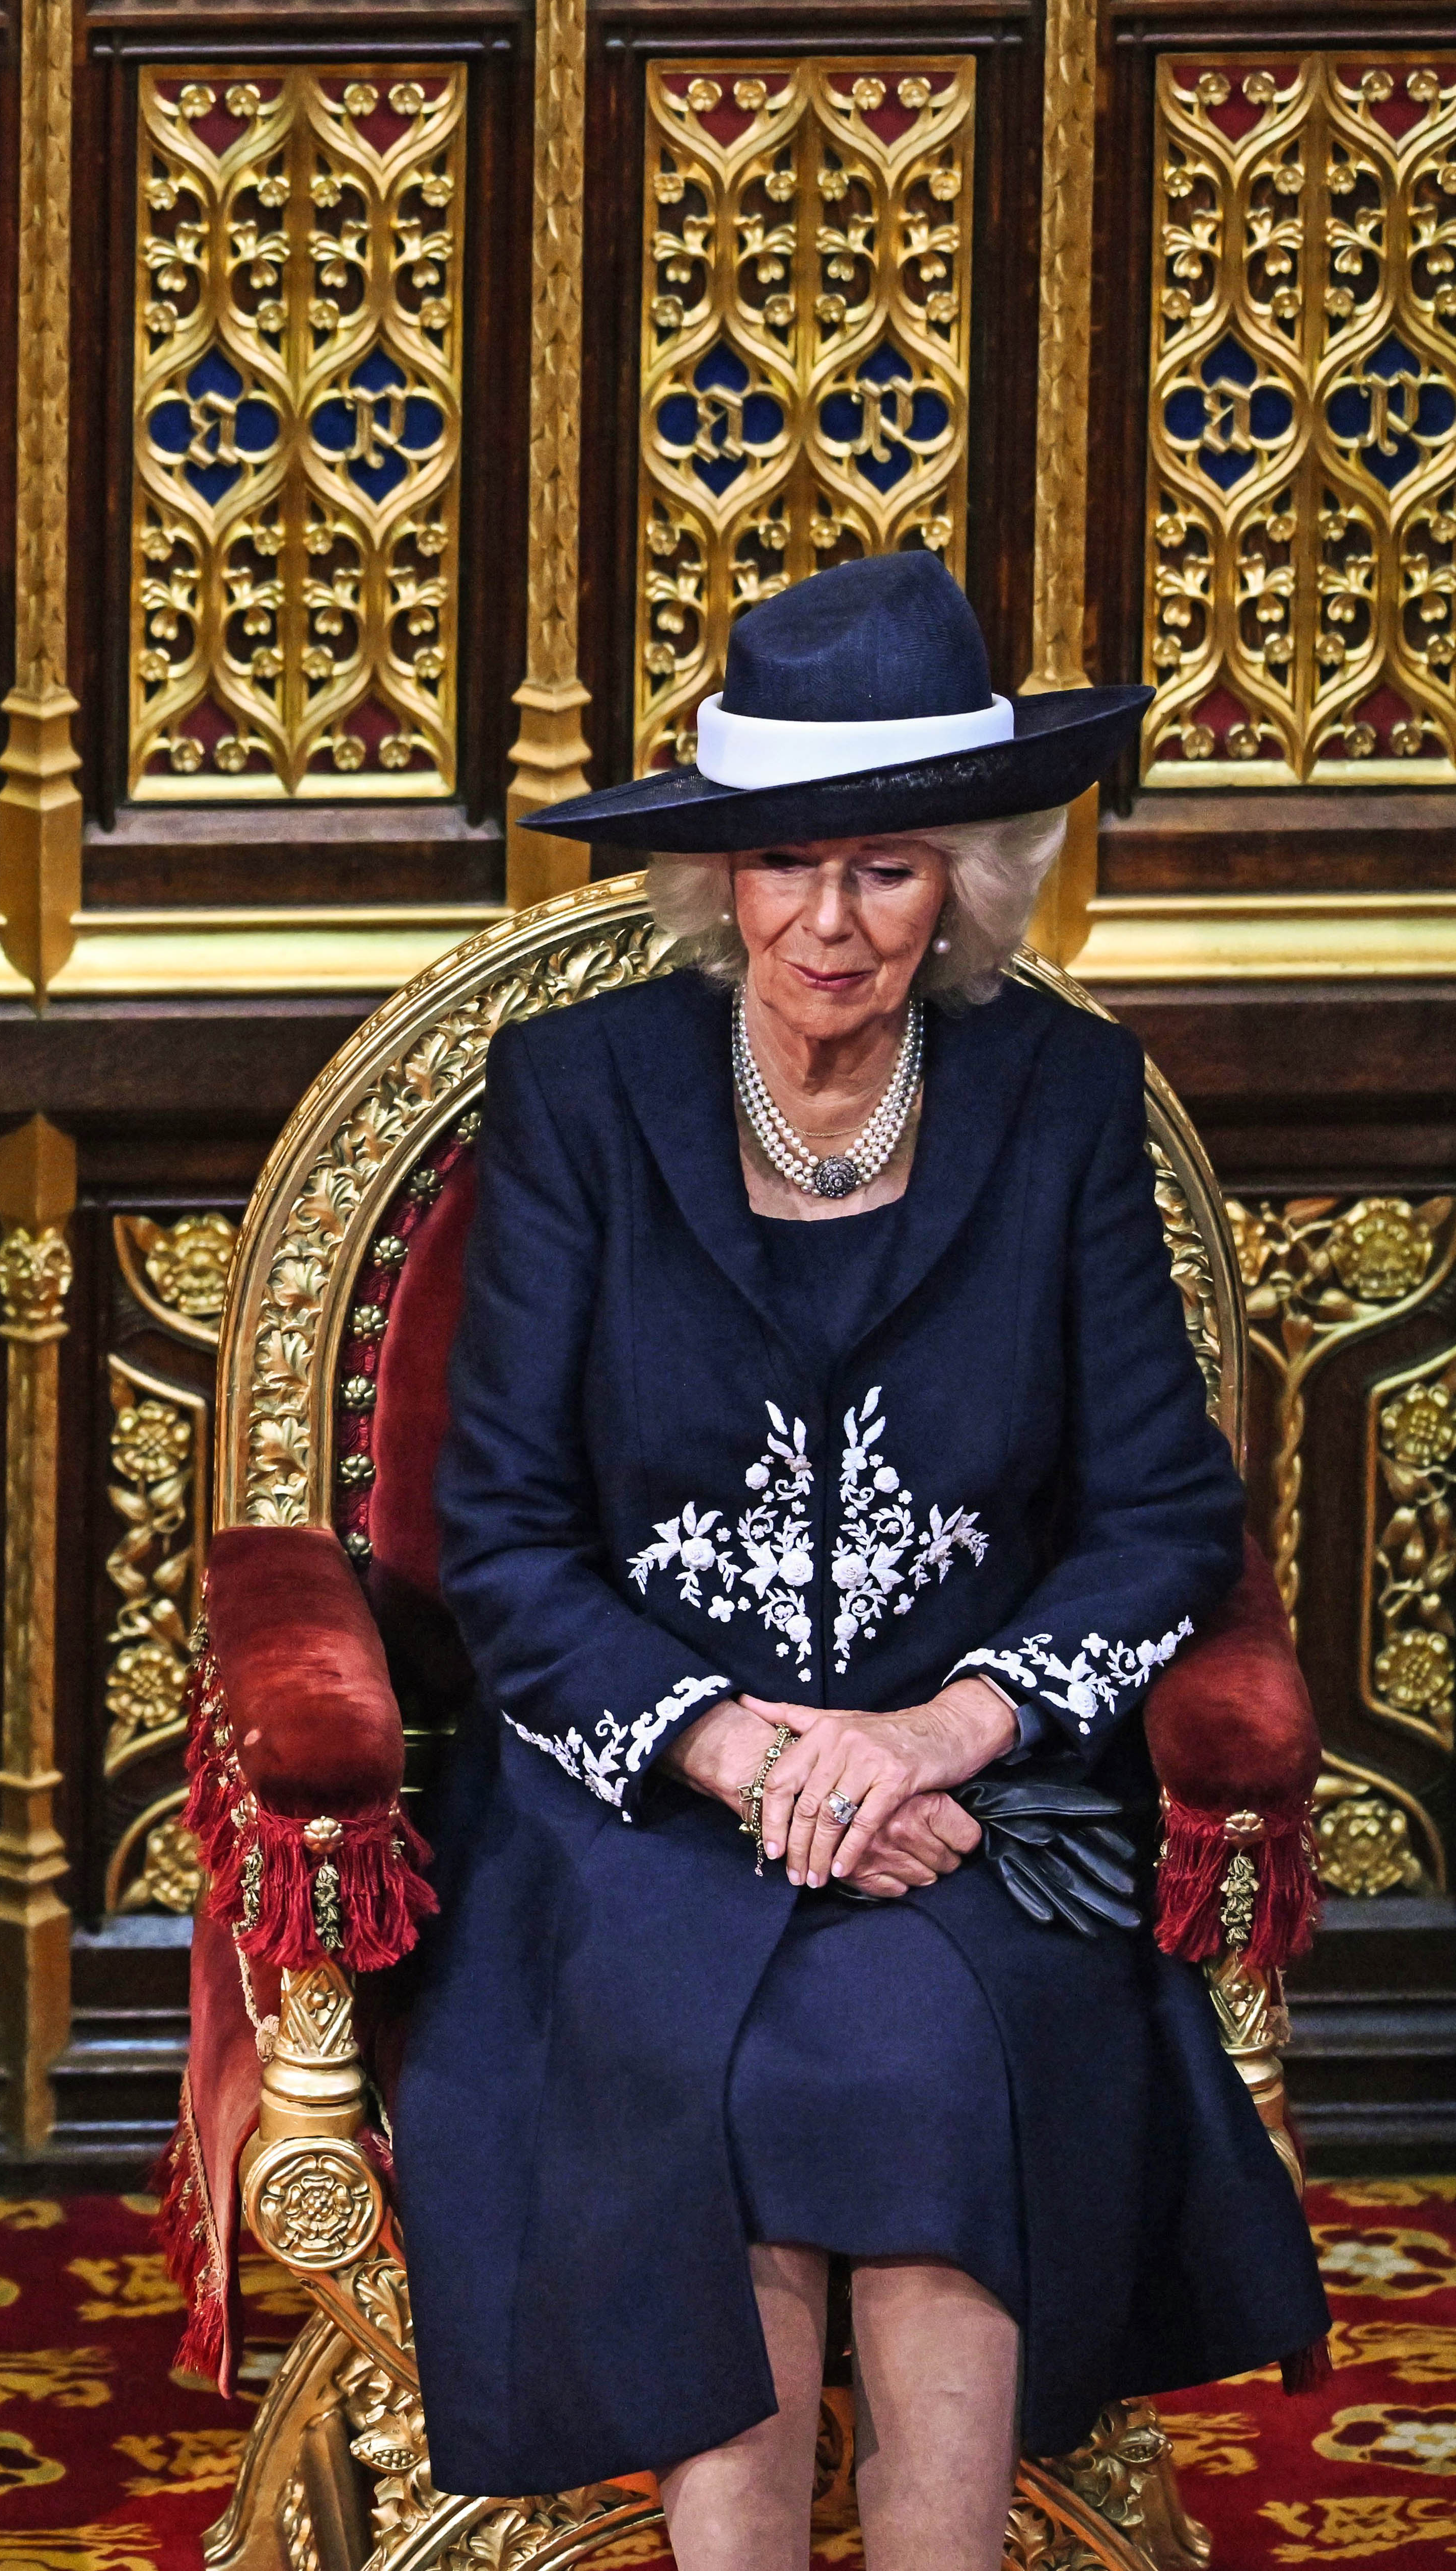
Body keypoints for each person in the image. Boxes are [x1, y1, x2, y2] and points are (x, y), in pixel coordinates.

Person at [395, 552, 1327, 2568]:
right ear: (719, 881)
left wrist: (934, 1734)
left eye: (888, 869)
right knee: (702, 2061)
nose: (831, 922)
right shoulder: (579, 1098)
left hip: (967, 1807)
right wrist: (747, 1751)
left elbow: (1162, 1512)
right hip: (634, 1803)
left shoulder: (1057, 1103)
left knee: (919, 2066)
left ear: (963, 889)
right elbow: (500, 1535)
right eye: (789, 866)